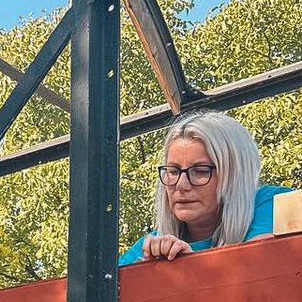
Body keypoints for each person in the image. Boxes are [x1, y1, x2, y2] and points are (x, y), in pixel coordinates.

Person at [119, 111, 291, 265]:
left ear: (235, 176)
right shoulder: (147, 249)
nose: (181, 185)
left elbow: (261, 267)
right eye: (173, 171)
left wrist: (192, 267)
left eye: (200, 171)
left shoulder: (275, 205)